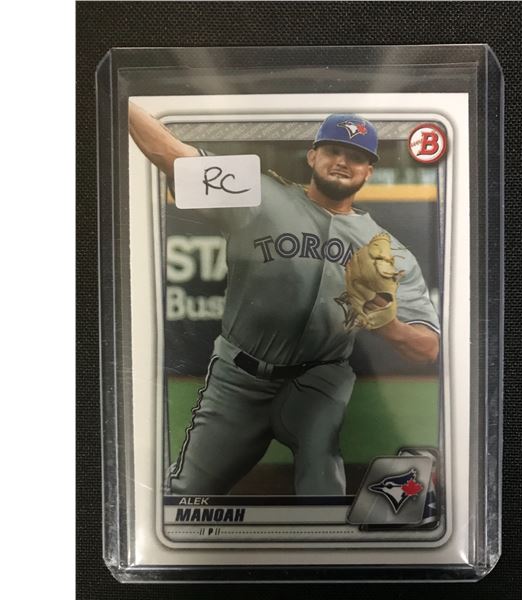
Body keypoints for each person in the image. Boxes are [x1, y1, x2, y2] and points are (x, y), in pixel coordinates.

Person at [128, 103, 440, 495]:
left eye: (356, 157)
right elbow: (175, 158)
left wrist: (388, 325)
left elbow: (428, 348)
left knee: (324, 490)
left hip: (319, 381)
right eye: (334, 150)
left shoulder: (389, 252)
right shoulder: (259, 194)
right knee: (188, 493)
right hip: (239, 378)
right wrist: (123, 104)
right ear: (312, 155)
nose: (343, 162)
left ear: (369, 171)